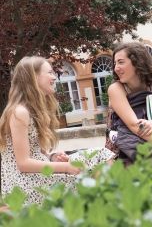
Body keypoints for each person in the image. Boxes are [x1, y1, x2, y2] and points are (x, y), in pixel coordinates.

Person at [0, 56, 114, 205]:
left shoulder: (32, 110)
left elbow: (34, 151)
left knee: (101, 155)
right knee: (92, 169)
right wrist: (66, 167)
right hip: (24, 183)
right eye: (49, 73)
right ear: (34, 78)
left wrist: (52, 156)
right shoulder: (20, 112)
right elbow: (23, 163)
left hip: (34, 174)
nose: (54, 77)